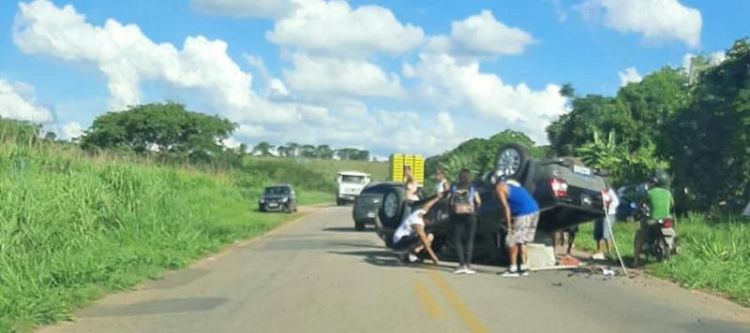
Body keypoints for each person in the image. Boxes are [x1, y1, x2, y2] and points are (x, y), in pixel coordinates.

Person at [496, 178, 540, 277]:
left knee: (512, 240)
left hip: (524, 213)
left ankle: (513, 268)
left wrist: (509, 225)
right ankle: (523, 268)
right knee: (523, 241)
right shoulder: (515, 186)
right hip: (535, 210)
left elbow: (505, 207)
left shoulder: (500, 188)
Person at [633, 170, 675, 267]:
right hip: (667, 220)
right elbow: (672, 205)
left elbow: (640, 204)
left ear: (654, 183)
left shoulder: (650, 193)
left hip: (653, 220)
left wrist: (636, 211)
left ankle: (636, 260)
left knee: (640, 234)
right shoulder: (668, 193)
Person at [392, 194, 442, 265]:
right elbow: (424, 241)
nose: (430, 224)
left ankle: (412, 253)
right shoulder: (417, 223)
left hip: (405, 238)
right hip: (399, 242)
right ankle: (401, 254)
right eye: (430, 222)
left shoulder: (420, 212)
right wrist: (433, 256)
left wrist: (437, 198)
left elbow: (427, 205)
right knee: (423, 237)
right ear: (426, 219)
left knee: (430, 236)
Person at [449, 169, 481, 275]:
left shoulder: (454, 188)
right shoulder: (472, 188)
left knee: (458, 240)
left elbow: (450, 202)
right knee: (469, 240)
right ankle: (468, 265)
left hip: (457, 215)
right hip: (470, 215)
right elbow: (478, 201)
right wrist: (475, 210)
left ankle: (461, 264)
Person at [593, 186, 620, 260]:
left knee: (606, 234)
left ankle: (610, 253)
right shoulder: (598, 191)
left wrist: (609, 206)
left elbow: (616, 202)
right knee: (598, 233)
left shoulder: (610, 192)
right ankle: (599, 252)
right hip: (599, 213)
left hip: (609, 214)